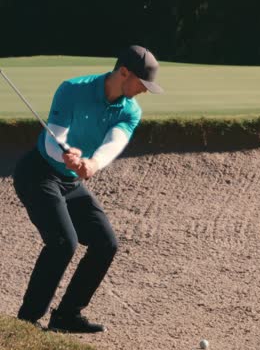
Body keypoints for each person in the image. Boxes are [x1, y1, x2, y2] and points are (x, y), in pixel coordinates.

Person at [13, 45, 164, 333]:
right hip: (38, 173)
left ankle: (67, 316)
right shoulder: (72, 89)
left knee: (106, 243)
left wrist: (92, 164)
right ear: (123, 72)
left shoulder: (131, 110)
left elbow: (114, 143)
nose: (144, 91)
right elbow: (52, 141)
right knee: (63, 242)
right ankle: (28, 321)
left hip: (70, 181)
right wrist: (66, 154)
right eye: (142, 84)